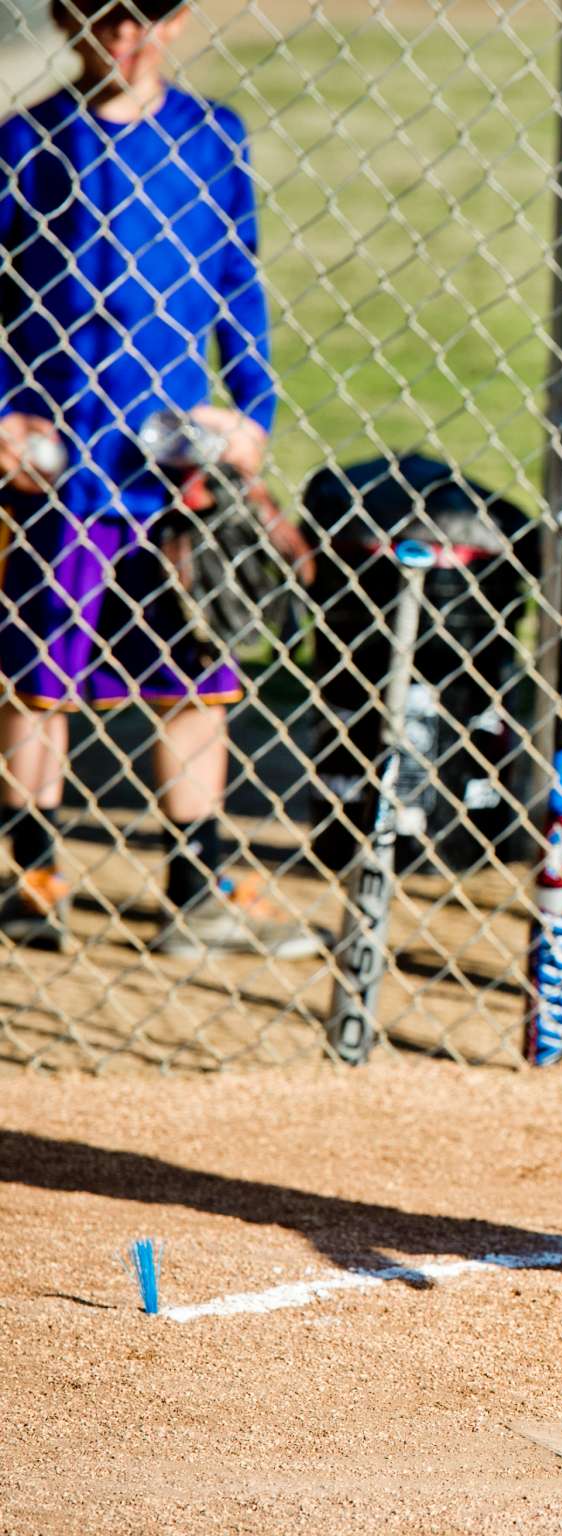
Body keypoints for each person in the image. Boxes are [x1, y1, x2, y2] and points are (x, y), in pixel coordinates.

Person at [0, 0, 313, 956]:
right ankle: (27, 877)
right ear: (65, 20)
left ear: (174, 23)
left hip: (170, 464)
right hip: (61, 459)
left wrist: (251, 417)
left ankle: (199, 886)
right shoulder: (26, 141)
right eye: (99, 19)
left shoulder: (213, 139)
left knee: (197, 677)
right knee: (36, 682)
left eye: (140, 19)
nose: (122, 40)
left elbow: (237, 282)